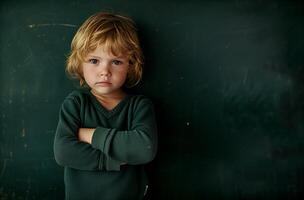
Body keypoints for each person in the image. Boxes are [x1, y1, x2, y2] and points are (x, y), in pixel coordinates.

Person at [53, 12, 158, 200]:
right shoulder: (76, 103)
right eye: (94, 61)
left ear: (130, 65)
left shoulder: (139, 106)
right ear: (80, 63)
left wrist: (89, 134)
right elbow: (64, 152)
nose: (105, 71)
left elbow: (144, 149)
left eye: (116, 62)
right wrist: (115, 159)